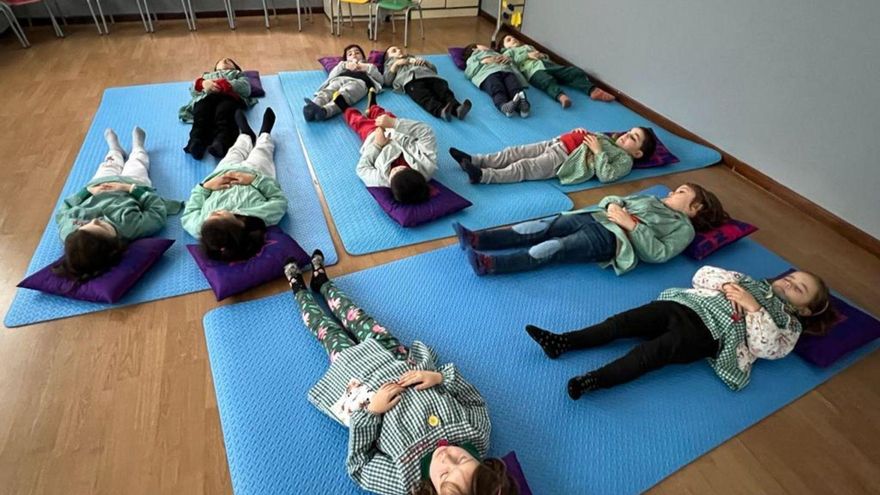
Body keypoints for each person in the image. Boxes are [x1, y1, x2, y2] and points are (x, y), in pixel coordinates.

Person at [282, 251, 518, 495]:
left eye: (445, 475)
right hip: (398, 357)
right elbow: (475, 402)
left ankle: (298, 290)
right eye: (463, 461)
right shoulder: (478, 436)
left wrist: (373, 411)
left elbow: (359, 466)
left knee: (325, 330)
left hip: (360, 378)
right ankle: (323, 283)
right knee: (355, 315)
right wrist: (439, 377)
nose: (447, 457)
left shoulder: (406, 481)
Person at [525, 266, 837, 398]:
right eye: (792, 277)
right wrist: (729, 285)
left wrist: (753, 308)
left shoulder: (789, 325)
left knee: (648, 355)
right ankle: (564, 341)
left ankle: (594, 380)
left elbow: (768, 348)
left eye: (799, 289)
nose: (789, 283)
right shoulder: (747, 279)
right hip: (681, 305)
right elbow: (702, 275)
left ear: (804, 309)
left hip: (707, 335)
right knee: (621, 323)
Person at [453, 183, 728, 275]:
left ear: (695, 209)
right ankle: (479, 238)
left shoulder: (684, 229)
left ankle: (490, 264)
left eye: (680, 192)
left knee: (553, 248)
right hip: (594, 215)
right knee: (540, 226)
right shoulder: (652, 198)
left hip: (610, 238)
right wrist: (611, 205)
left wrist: (630, 224)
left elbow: (658, 253)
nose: (672, 192)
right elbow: (616, 200)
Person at [54, 127, 181, 280]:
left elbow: (63, 211)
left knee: (109, 164)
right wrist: (131, 188)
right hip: (132, 184)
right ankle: (138, 147)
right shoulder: (130, 227)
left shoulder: (70, 231)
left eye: (88, 225)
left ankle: (115, 149)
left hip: (99, 184)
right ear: (114, 242)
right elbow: (156, 211)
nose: (96, 220)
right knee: (137, 163)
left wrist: (87, 192)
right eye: (101, 226)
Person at [181, 108, 286, 261]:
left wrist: (206, 186)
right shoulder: (259, 216)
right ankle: (265, 133)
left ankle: (245, 135)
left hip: (223, 172)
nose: (214, 213)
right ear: (239, 225)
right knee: (262, 151)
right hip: (255, 172)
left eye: (210, 216)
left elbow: (189, 212)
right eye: (219, 214)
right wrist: (253, 180)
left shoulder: (199, 227)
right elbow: (279, 200)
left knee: (234, 151)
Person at [448, 127, 655, 185]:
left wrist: (598, 151)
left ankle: (483, 175)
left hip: (564, 159)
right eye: (630, 131)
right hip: (556, 143)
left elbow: (607, 175)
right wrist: (579, 132)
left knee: (524, 166)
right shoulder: (610, 138)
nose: (627, 135)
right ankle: (476, 160)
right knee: (514, 151)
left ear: (637, 153)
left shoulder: (625, 160)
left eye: (633, 138)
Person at [344, 93, 437, 204]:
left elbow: (361, 169)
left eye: (393, 174)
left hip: (375, 139)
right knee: (385, 116)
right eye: (402, 169)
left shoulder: (381, 180)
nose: (395, 169)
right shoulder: (426, 165)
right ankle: (373, 107)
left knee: (361, 124)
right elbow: (426, 132)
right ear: (415, 172)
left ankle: (345, 108)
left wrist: (377, 145)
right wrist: (394, 123)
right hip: (398, 133)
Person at [500, 34, 615, 108]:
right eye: (508, 40)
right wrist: (527, 55)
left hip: (547, 65)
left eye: (513, 37)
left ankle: (593, 90)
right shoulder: (509, 52)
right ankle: (561, 96)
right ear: (505, 47)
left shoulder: (528, 46)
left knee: (573, 72)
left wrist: (541, 55)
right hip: (533, 71)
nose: (513, 39)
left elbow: (544, 56)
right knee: (546, 81)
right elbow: (511, 61)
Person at [180, 57, 256, 159]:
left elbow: (246, 88)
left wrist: (227, 84)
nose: (225, 61)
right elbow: (193, 90)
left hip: (228, 98)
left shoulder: (237, 74)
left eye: (229, 61)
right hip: (206, 98)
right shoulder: (206, 76)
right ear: (215, 68)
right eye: (221, 61)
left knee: (225, 114)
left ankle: (221, 143)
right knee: (201, 115)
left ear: (235, 68)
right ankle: (195, 142)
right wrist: (202, 84)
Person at [382, 45, 471, 121]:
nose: (399, 50)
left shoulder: (412, 57)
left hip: (429, 75)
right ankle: (441, 111)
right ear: (388, 57)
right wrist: (396, 64)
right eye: (394, 51)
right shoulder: (389, 64)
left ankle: (457, 108)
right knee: (425, 97)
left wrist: (426, 63)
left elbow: (434, 70)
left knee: (444, 91)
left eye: (399, 48)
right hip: (410, 80)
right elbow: (387, 81)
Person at [303, 44, 383, 121]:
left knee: (344, 94)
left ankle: (325, 111)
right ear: (346, 59)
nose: (354, 55)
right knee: (328, 91)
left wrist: (365, 67)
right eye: (350, 54)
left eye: (357, 53)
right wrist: (344, 65)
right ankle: (312, 107)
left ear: (364, 57)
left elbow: (381, 80)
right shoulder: (342, 65)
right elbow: (331, 75)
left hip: (360, 82)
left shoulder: (370, 66)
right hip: (340, 79)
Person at [463, 43, 530, 117]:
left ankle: (522, 105)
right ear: (474, 49)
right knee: (497, 89)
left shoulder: (496, 53)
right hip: (488, 73)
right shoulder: (473, 58)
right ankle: (504, 106)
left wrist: (508, 60)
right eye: (482, 44)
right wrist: (483, 61)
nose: (486, 45)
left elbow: (514, 64)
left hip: (506, 70)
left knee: (514, 86)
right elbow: (468, 72)